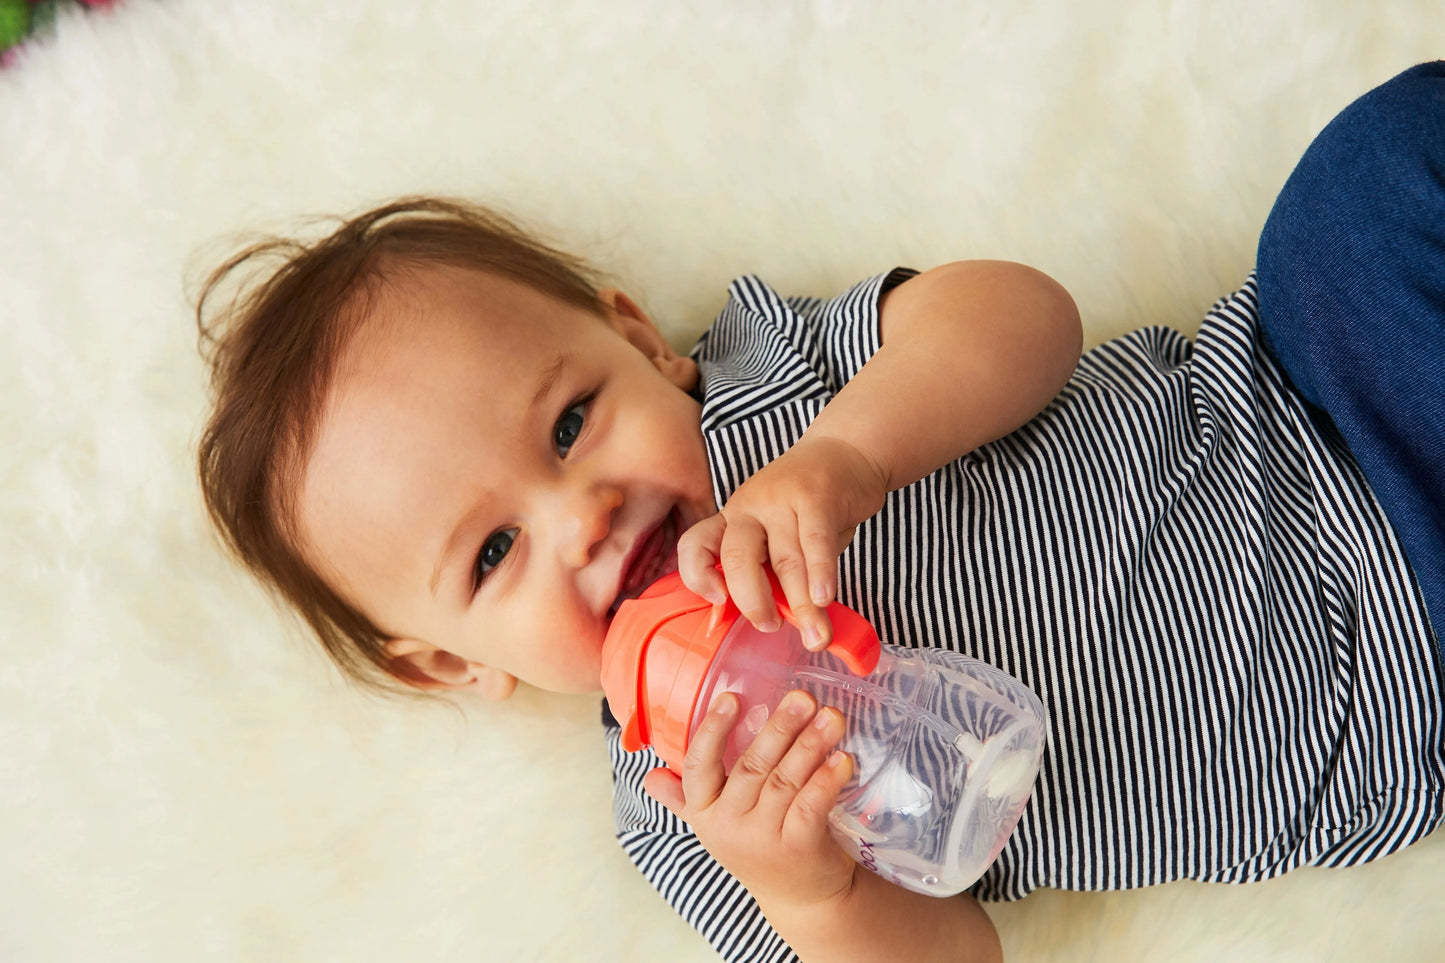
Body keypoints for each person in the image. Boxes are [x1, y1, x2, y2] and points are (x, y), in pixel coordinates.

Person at [195, 64, 1445, 962]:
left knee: (1370, 167)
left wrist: (849, 454)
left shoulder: (775, 384)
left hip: (1322, 393)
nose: (579, 515)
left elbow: (1029, 319)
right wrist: (815, 895)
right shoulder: (694, 810)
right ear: (447, 663)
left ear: (638, 341)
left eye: (571, 422)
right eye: (492, 552)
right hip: (1389, 706)